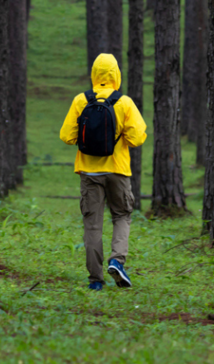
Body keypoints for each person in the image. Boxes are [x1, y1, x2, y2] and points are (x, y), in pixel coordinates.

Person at [60, 54, 147, 290]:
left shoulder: (81, 100)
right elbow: (138, 137)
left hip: (89, 172)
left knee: (93, 225)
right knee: (121, 216)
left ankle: (95, 281)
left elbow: (66, 136)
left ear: (94, 74)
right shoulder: (124, 102)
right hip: (118, 170)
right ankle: (117, 261)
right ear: (116, 74)